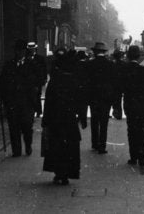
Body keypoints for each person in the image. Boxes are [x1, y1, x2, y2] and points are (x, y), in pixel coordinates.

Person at [41, 49, 88, 185]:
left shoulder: (54, 81)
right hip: (69, 118)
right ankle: (67, 172)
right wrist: (82, 117)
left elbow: (48, 102)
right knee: (70, 145)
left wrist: (45, 120)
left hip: (55, 118)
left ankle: (58, 172)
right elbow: (80, 100)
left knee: (56, 145)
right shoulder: (73, 80)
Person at [118, 44, 144, 168]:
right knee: (142, 129)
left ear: (128, 56)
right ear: (138, 55)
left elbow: (120, 87)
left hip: (130, 104)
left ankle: (133, 156)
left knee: (131, 130)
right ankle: (141, 150)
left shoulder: (124, 68)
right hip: (143, 104)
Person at [0, 39, 39, 157]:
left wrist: (33, 94)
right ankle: (16, 150)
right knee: (14, 126)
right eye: (18, 50)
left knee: (27, 126)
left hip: (26, 101)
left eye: (21, 50)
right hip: (12, 101)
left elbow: (37, 80)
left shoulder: (31, 64)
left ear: (25, 51)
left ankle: (28, 145)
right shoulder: (9, 65)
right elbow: (2, 81)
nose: (19, 53)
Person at [85, 42, 115, 154]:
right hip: (106, 97)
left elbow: (86, 81)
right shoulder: (110, 64)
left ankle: (94, 143)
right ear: (104, 52)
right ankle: (102, 146)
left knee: (94, 120)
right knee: (104, 122)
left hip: (93, 96)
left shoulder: (89, 64)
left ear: (94, 52)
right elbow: (113, 81)